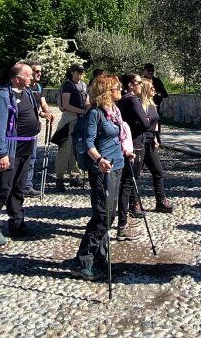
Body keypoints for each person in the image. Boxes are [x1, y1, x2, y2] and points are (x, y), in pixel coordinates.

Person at [71, 73, 133, 281]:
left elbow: (117, 135)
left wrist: (125, 151)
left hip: (117, 165)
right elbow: (88, 142)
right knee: (103, 215)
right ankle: (83, 260)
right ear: (107, 91)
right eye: (117, 87)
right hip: (102, 169)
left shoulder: (114, 112)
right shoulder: (95, 114)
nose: (121, 90)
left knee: (110, 214)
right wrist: (99, 160)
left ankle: (100, 257)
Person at [0, 63, 39, 243]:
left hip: (26, 148)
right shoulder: (2, 96)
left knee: (18, 188)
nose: (32, 78)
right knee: (3, 189)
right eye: (28, 75)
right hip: (10, 149)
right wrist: (1, 153)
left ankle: (17, 222)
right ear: (17, 78)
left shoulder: (28, 93)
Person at [114, 73, 153, 241]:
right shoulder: (132, 99)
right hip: (135, 145)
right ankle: (122, 224)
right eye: (138, 82)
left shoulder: (123, 99)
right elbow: (145, 123)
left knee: (127, 183)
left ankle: (126, 219)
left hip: (130, 143)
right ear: (130, 85)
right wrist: (148, 118)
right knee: (128, 184)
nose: (140, 85)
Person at [138, 78, 174, 213]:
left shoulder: (152, 104)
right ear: (146, 90)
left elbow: (156, 122)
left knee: (158, 171)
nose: (154, 90)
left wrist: (156, 137)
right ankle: (133, 203)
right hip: (140, 142)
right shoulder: (138, 105)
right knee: (135, 175)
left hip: (150, 141)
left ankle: (161, 200)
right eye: (152, 88)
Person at [54, 64, 89, 192]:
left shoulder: (83, 85)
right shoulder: (67, 85)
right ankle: (59, 178)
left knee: (77, 148)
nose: (81, 74)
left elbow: (86, 100)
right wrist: (82, 111)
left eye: (82, 72)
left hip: (80, 119)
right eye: (79, 72)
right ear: (72, 72)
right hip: (70, 119)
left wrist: (87, 108)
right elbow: (65, 105)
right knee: (66, 149)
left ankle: (75, 176)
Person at [23, 61, 56, 198]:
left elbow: (43, 103)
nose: (39, 74)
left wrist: (47, 113)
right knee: (24, 157)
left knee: (32, 157)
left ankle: (27, 186)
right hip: (24, 129)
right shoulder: (24, 88)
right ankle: (22, 185)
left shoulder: (38, 87)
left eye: (40, 71)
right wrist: (42, 114)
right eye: (36, 71)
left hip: (34, 127)